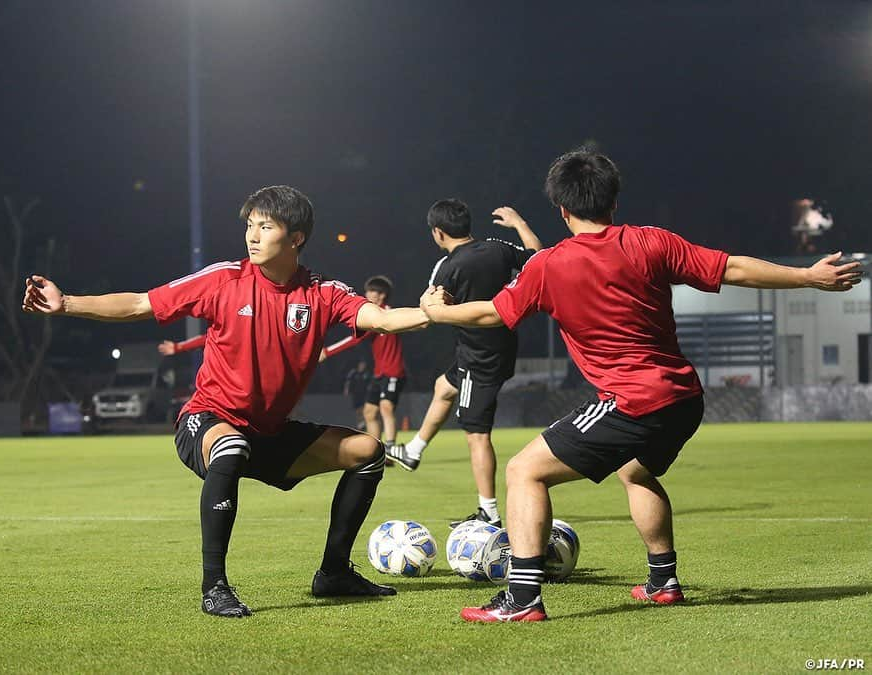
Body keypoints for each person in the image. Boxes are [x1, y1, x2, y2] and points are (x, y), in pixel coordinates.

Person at [419, 149, 861, 622]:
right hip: (684, 398)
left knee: (524, 471)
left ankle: (522, 600)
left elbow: (491, 314)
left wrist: (438, 311)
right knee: (635, 471)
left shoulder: (548, 265)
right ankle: (662, 581)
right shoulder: (652, 242)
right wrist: (809, 277)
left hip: (633, 402)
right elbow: (731, 267)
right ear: (612, 202)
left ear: (562, 209)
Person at [22, 185, 431, 618]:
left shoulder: (322, 293)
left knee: (368, 452)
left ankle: (334, 573)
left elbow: (381, 319)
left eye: (265, 226)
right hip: (207, 421)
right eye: (249, 226)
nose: (252, 236)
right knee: (231, 446)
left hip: (269, 434)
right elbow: (142, 303)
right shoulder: (224, 280)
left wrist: (432, 312)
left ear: (296, 238)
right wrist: (65, 302)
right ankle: (214, 587)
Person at [386, 199, 542, 530]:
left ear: (438, 233)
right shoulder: (497, 248)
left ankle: (489, 511)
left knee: (477, 435)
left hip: (479, 358)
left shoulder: (447, 268)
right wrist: (519, 222)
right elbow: (536, 258)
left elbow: (430, 310)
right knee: (443, 388)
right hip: (499, 346)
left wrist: (391, 319)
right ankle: (413, 450)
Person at [319, 276, 407, 449]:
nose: (367, 294)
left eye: (371, 291)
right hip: (379, 373)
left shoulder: (384, 315)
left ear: (382, 295)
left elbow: (354, 339)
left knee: (386, 407)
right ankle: (376, 450)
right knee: (369, 412)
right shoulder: (377, 314)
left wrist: (327, 352)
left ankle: (390, 449)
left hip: (393, 372)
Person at [343, 360, 371, 430]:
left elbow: (370, 383)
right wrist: (346, 390)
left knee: (364, 410)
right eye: (361, 364)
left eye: (364, 364)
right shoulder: (353, 373)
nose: (362, 366)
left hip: (364, 395)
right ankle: (360, 425)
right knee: (358, 411)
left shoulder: (367, 373)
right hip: (356, 395)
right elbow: (348, 381)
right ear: (359, 365)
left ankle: (364, 424)